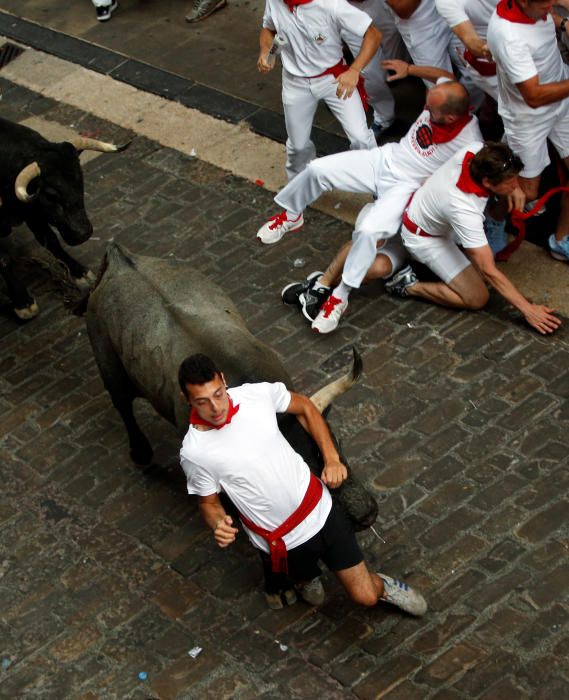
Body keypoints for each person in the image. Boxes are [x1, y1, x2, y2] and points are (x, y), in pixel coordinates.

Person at [178, 353, 427, 614]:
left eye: (218, 394)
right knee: (309, 587)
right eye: (203, 402)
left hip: (321, 512)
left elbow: (306, 408)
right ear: (188, 400)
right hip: (281, 544)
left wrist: (331, 458)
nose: (216, 408)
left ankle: (384, 587)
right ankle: (306, 578)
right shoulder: (194, 453)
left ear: (224, 380)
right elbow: (208, 502)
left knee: (365, 596)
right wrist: (218, 523)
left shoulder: (257, 395)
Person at [257, 66, 483, 334]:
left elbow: (467, 178)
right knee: (317, 169)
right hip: (385, 158)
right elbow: (443, 73)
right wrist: (409, 68)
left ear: (451, 116)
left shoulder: (471, 142)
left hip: (406, 186)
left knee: (367, 231)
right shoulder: (445, 92)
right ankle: (292, 215)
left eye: (432, 111)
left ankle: (339, 296)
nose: (426, 111)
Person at [385, 141, 562, 335]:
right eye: (510, 182)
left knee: (477, 263)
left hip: (434, 215)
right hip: (425, 238)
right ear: (487, 182)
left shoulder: (476, 150)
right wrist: (528, 309)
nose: (515, 185)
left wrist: (513, 186)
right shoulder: (464, 210)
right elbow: (489, 271)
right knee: (477, 296)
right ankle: (408, 285)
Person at [258, 0, 381, 194]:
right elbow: (270, 30)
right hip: (295, 82)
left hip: (333, 79)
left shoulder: (331, 4)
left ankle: (378, 184)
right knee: (297, 147)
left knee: (360, 137)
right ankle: (298, 193)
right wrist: (267, 52)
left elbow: (373, 34)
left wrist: (354, 70)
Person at [487, 0, 569, 262]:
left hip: (561, 103)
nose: (552, 7)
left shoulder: (535, 6)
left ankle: (561, 239)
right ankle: (494, 218)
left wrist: (564, 22)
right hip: (528, 117)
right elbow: (533, 96)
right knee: (526, 191)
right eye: (546, 4)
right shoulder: (509, 36)